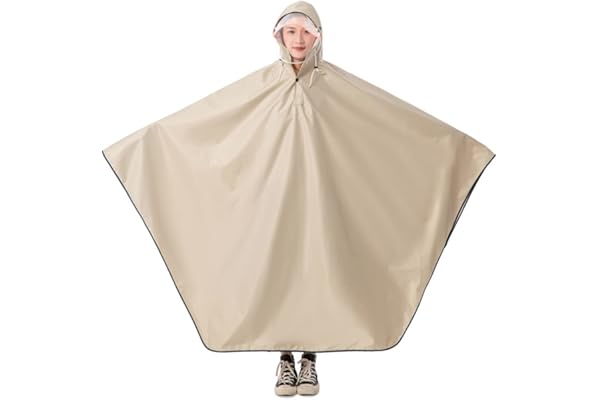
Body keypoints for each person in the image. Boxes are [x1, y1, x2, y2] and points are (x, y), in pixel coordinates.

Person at [272, 10, 321, 397]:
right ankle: (284, 359)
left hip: (322, 195)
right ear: (279, 36)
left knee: (318, 269)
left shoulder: (332, 85)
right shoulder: (266, 85)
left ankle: (311, 359)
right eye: (291, 31)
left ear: (318, 36)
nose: (298, 40)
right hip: (275, 195)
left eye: (306, 32)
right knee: (279, 269)